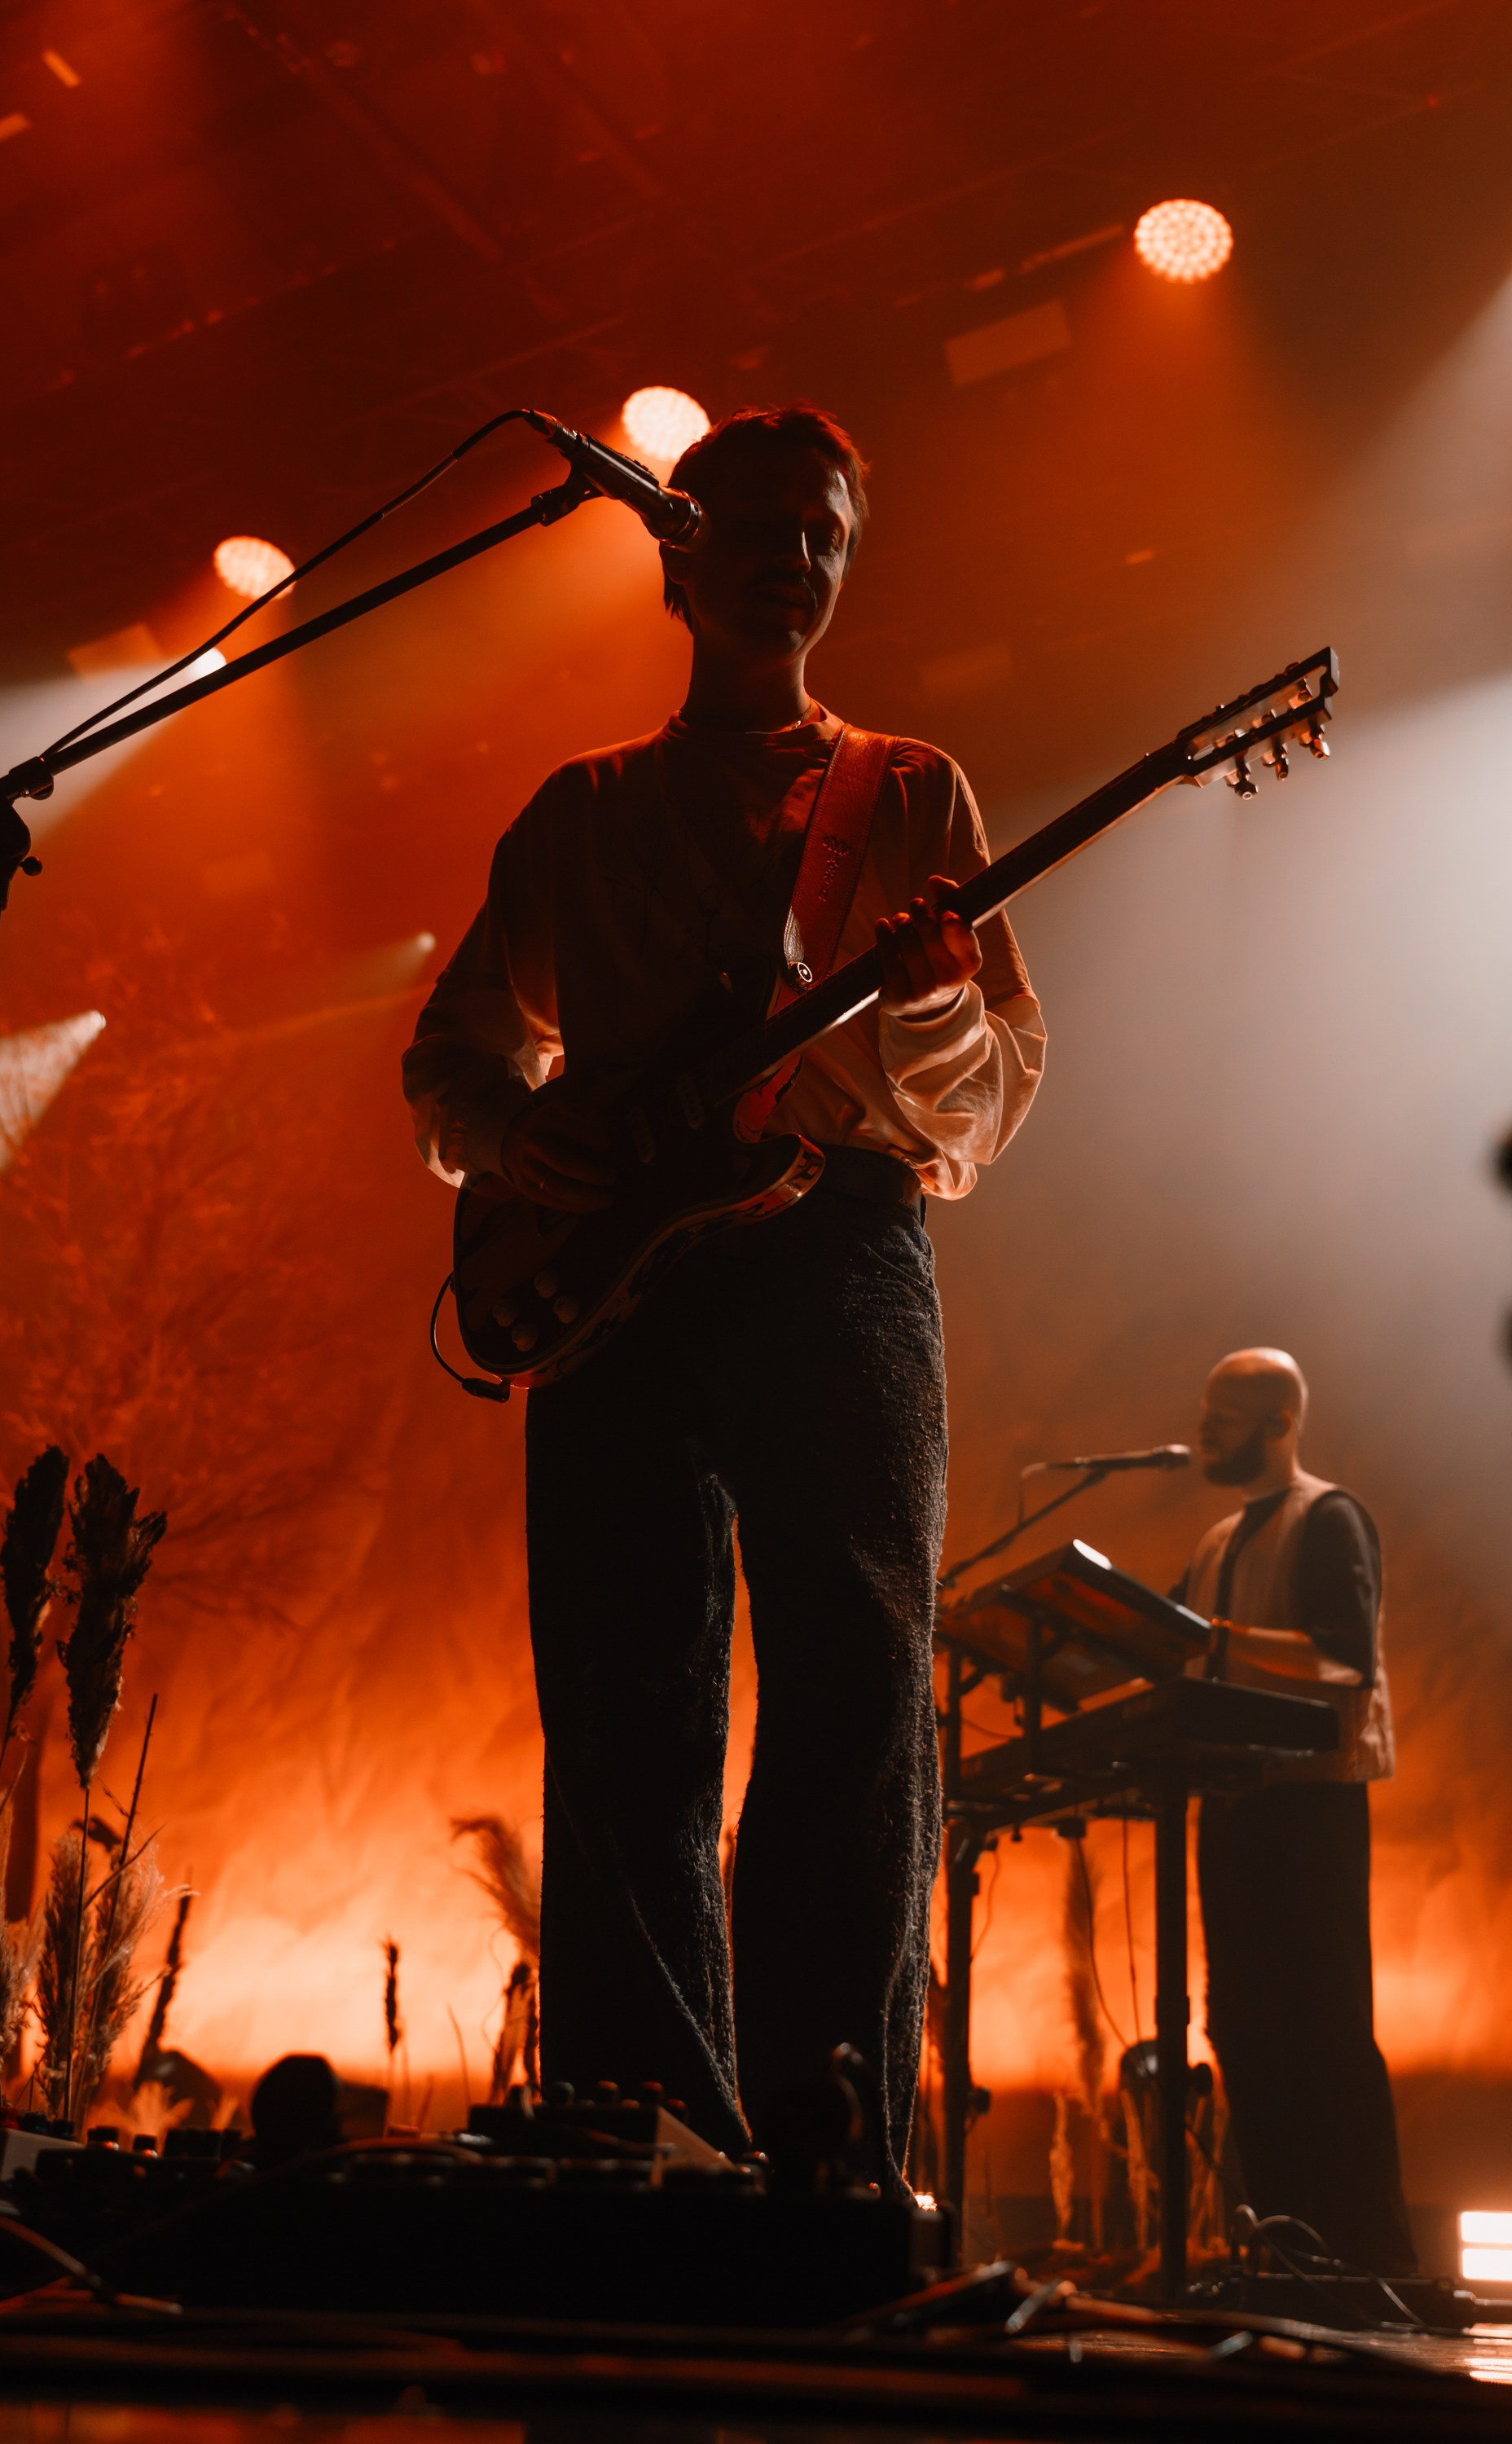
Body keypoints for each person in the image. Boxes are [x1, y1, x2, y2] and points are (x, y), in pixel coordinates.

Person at [403, 404, 1045, 2192]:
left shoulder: (906, 792)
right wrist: (523, 1153)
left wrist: (919, 1001)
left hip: (838, 1251)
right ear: (679, 556)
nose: (794, 549)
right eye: (757, 519)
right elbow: (452, 1067)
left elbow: (987, 1101)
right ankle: (645, 2151)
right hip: (614, 1291)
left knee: (850, 1696)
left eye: (823, 524)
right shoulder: (577, 812)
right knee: (624, 1714)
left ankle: (828, 2162)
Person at [1180, 1347, 1413, 2274]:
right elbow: (1164, 1642)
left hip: (1308, 1811)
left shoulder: (1328, 1518)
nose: (1201, 1431)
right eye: (1202, 1414)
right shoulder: (1213, 1539)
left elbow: (1342, 1657)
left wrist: (1218, 1641)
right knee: (1239, 2027)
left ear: (1280, 1425)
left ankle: (1367, 2262)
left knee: (1319, 2030)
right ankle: (1281, 2249)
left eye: (1222, 1417)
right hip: (1229, 1808)